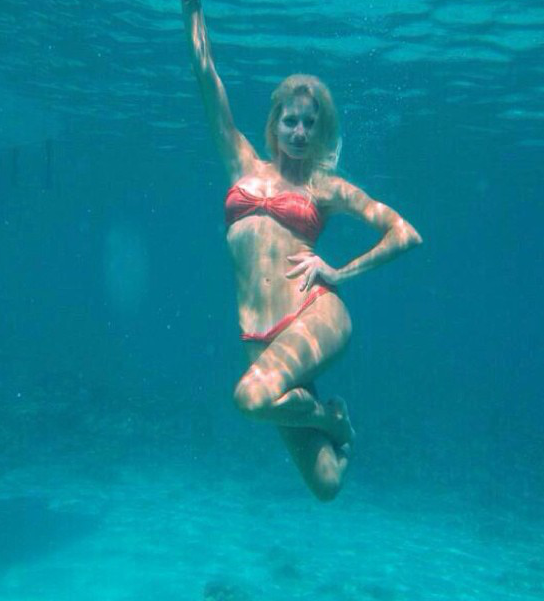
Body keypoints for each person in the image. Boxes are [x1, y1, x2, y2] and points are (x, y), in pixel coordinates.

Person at [181, 0, 422, 502]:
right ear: (274, 122)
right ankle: (340, 428)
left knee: (250, 398)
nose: (299, 132)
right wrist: (192, 13)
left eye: (309, 124)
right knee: (327, 484)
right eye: (291, 120)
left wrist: (340, 272)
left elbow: (404, 233)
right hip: (259, 334)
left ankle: (329, 419)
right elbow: (206, 76)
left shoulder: (325, 186)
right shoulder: (241, 162)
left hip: (314, 315)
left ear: (319, 129)